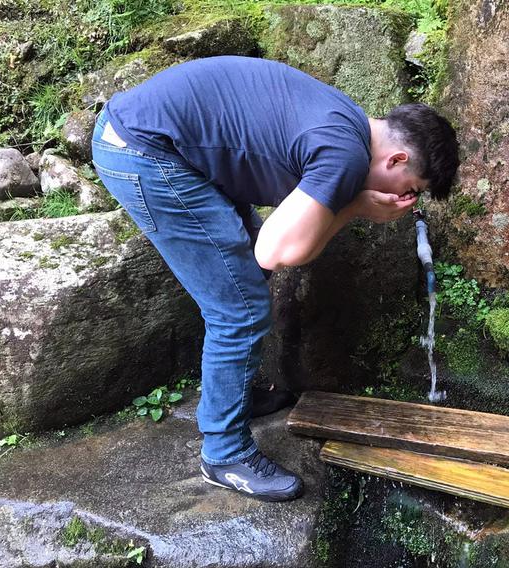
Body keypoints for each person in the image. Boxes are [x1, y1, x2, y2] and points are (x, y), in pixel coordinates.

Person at [91, 55, 459, 502]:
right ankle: (224, 453)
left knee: (241, 278)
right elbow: (276, 251)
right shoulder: (345, 154)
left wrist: (353, 203)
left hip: (153, 137)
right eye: (412, 188)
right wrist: (359, 206)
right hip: (145, 151)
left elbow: (275, 250)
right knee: (239, 309)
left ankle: (233, 396)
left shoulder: (351, 122)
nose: (405, 199)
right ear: (398, 157)